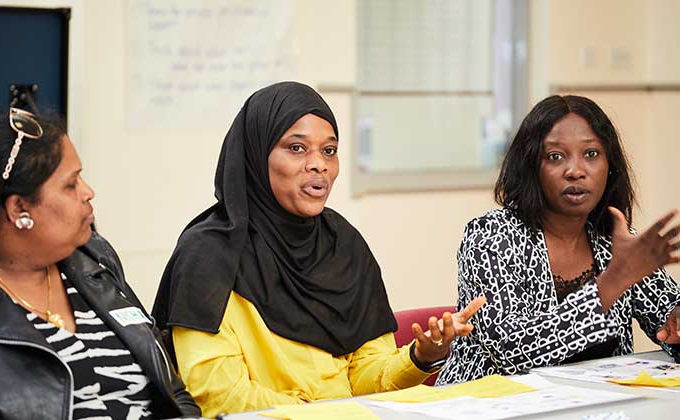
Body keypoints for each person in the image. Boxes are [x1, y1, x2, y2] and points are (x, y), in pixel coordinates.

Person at [151, 81, 486, 417]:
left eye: (329, 151)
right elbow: (217, 395)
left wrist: (420, 356)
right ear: (256, 155)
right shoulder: (209, 254)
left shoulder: (343, 244)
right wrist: (326, 413)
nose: (319, 165)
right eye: (297, 148)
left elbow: (364, 378)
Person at [0, 108, 200, 419]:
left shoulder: (92, 257)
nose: (89, 192)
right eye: (71, 185)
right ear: (18, 209)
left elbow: (172, 389)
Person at [437, 95, 680, 385]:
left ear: (610, 166)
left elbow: (667, 321)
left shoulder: (616, 241)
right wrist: (612, 282)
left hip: (598, 404)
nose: (575, 171)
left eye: (591, 154)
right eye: (555, 156)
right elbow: (512, 351)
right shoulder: (491, 236)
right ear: (531, 168)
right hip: (489, 405)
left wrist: (676, 326)